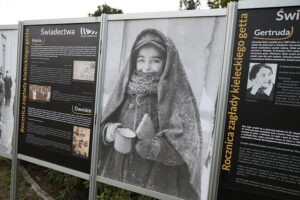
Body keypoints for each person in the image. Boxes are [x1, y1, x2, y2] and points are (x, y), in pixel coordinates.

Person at [98, 29, 202, 200]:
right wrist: (108, 132)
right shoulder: (125, 91)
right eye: (141, 60)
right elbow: (103, 123)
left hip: (155, 184)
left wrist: (157, 148)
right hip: (115, 175)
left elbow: (188, 149)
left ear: (167, 63)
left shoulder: (175, 97)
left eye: (155, 60)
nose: (146, 67)